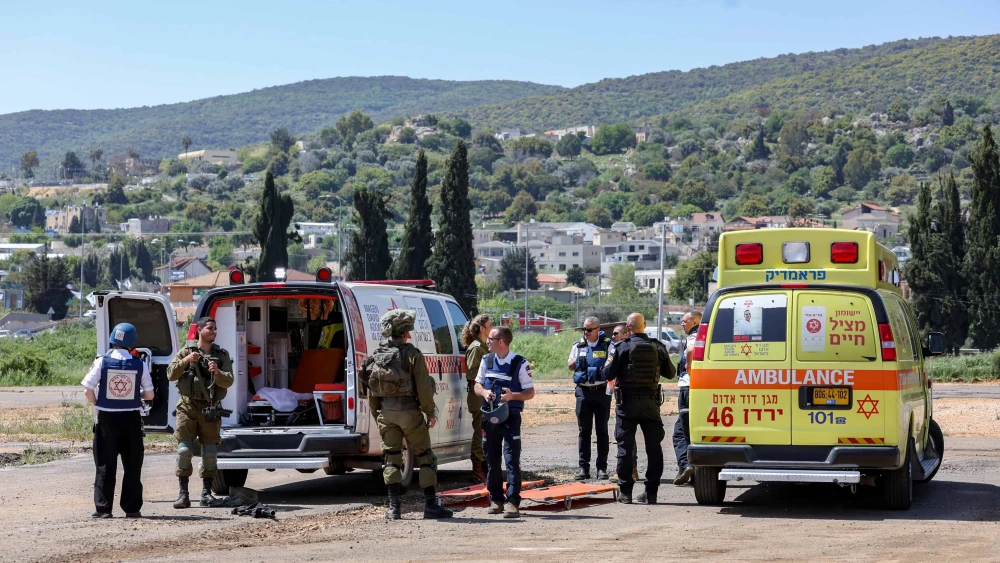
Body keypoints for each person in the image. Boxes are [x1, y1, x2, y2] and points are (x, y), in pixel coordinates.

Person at [361, 310, 452, 520]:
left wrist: (379, 416)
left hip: (386, 414)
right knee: (425, 457)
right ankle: (430, 506)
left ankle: (394, 508)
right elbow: (423, 388)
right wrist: (430, 412)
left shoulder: (377, 356)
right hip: (410, 413)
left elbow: (372, 391)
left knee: (391, 459)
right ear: (407, 333)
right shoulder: (413, 355)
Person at [82, 323, 154, 518]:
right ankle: (132, 508)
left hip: (106, 419)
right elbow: (149, 395)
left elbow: (87, 389)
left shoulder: (101, 362)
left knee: (105, 464)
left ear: (112, 340)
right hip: (131, 419)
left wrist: (98, 403)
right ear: (132, 343)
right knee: (132, 465)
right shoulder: (140, 364)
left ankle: (104, 509)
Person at [602, 313, 675, 505]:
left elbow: (607, 372)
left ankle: (626, 493)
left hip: (627, 405)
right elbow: (670, 373)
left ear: (628, 327)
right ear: (645, 326)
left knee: (625, 449)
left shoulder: (621, 347)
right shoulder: (657, 346)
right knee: (654, 449)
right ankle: (651, 493)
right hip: (651, 405)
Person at [168, 316, 234, 509]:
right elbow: (170, 374)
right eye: (210, 328)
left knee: (210, 453)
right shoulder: (186, 352)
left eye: (215, 328)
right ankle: (183, 494)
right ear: (200, 331)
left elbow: (229, 381)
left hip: (210, 408)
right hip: (188, 407)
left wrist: (217, 373)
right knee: (184, 451)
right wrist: (186, 361)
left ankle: (206, 494)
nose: (214, 331)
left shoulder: (221, 355)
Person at [475, 326, 535, 519]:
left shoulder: (519, 363)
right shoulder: (486, 360)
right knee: (491, 460)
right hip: (489, 417)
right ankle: (496, 499)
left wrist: (513, 396)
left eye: (491, 339)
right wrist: (484, 392)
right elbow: (477, 385)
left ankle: (512, 501)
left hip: (510, 418)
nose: (487, 342)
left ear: (501, 341)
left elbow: (530, 392)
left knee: (511, 459)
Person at [568, 316, 613, 481]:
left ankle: (602, 468)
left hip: (602, 392)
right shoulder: (578, 345)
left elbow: (613, 364)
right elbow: (569, 364)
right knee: (584, 431)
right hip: (583, 392)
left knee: (602, 431)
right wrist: (575, 362)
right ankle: (583, 468)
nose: (585, 333)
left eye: (589, 329)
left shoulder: (608, 345)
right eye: (584, 329)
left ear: (597, 330)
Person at [461, 314, 493, 484]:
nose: (492, 327)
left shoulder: (483, 346)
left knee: (485, 430)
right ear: (482, 328)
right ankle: (477, 469)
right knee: (480, 432)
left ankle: (483, 466)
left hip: (482, 394)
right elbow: (472, 374)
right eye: (490, 325)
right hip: (477, 395)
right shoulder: (476, 348)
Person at [672, 310, 702, 486]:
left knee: (681, 433)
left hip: (688, 388)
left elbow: (691, 349)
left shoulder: (694, 335)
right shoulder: (708, 334)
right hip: (699, 389)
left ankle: (686, 466)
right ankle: (695, 473)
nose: (682, 324)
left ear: (695, 321)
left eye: (685, 321)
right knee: (693, 432)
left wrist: (689, 367)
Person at [609, 323, 639, 483]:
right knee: (626, 438)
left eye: (615, 334)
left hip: (627, 400)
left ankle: (629, 471)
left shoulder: (623, 349)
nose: (613, 337)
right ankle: (632, 469)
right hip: (623, 397)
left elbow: (609, 371)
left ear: (625, 334)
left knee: (624, 437)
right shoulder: (623, 349)